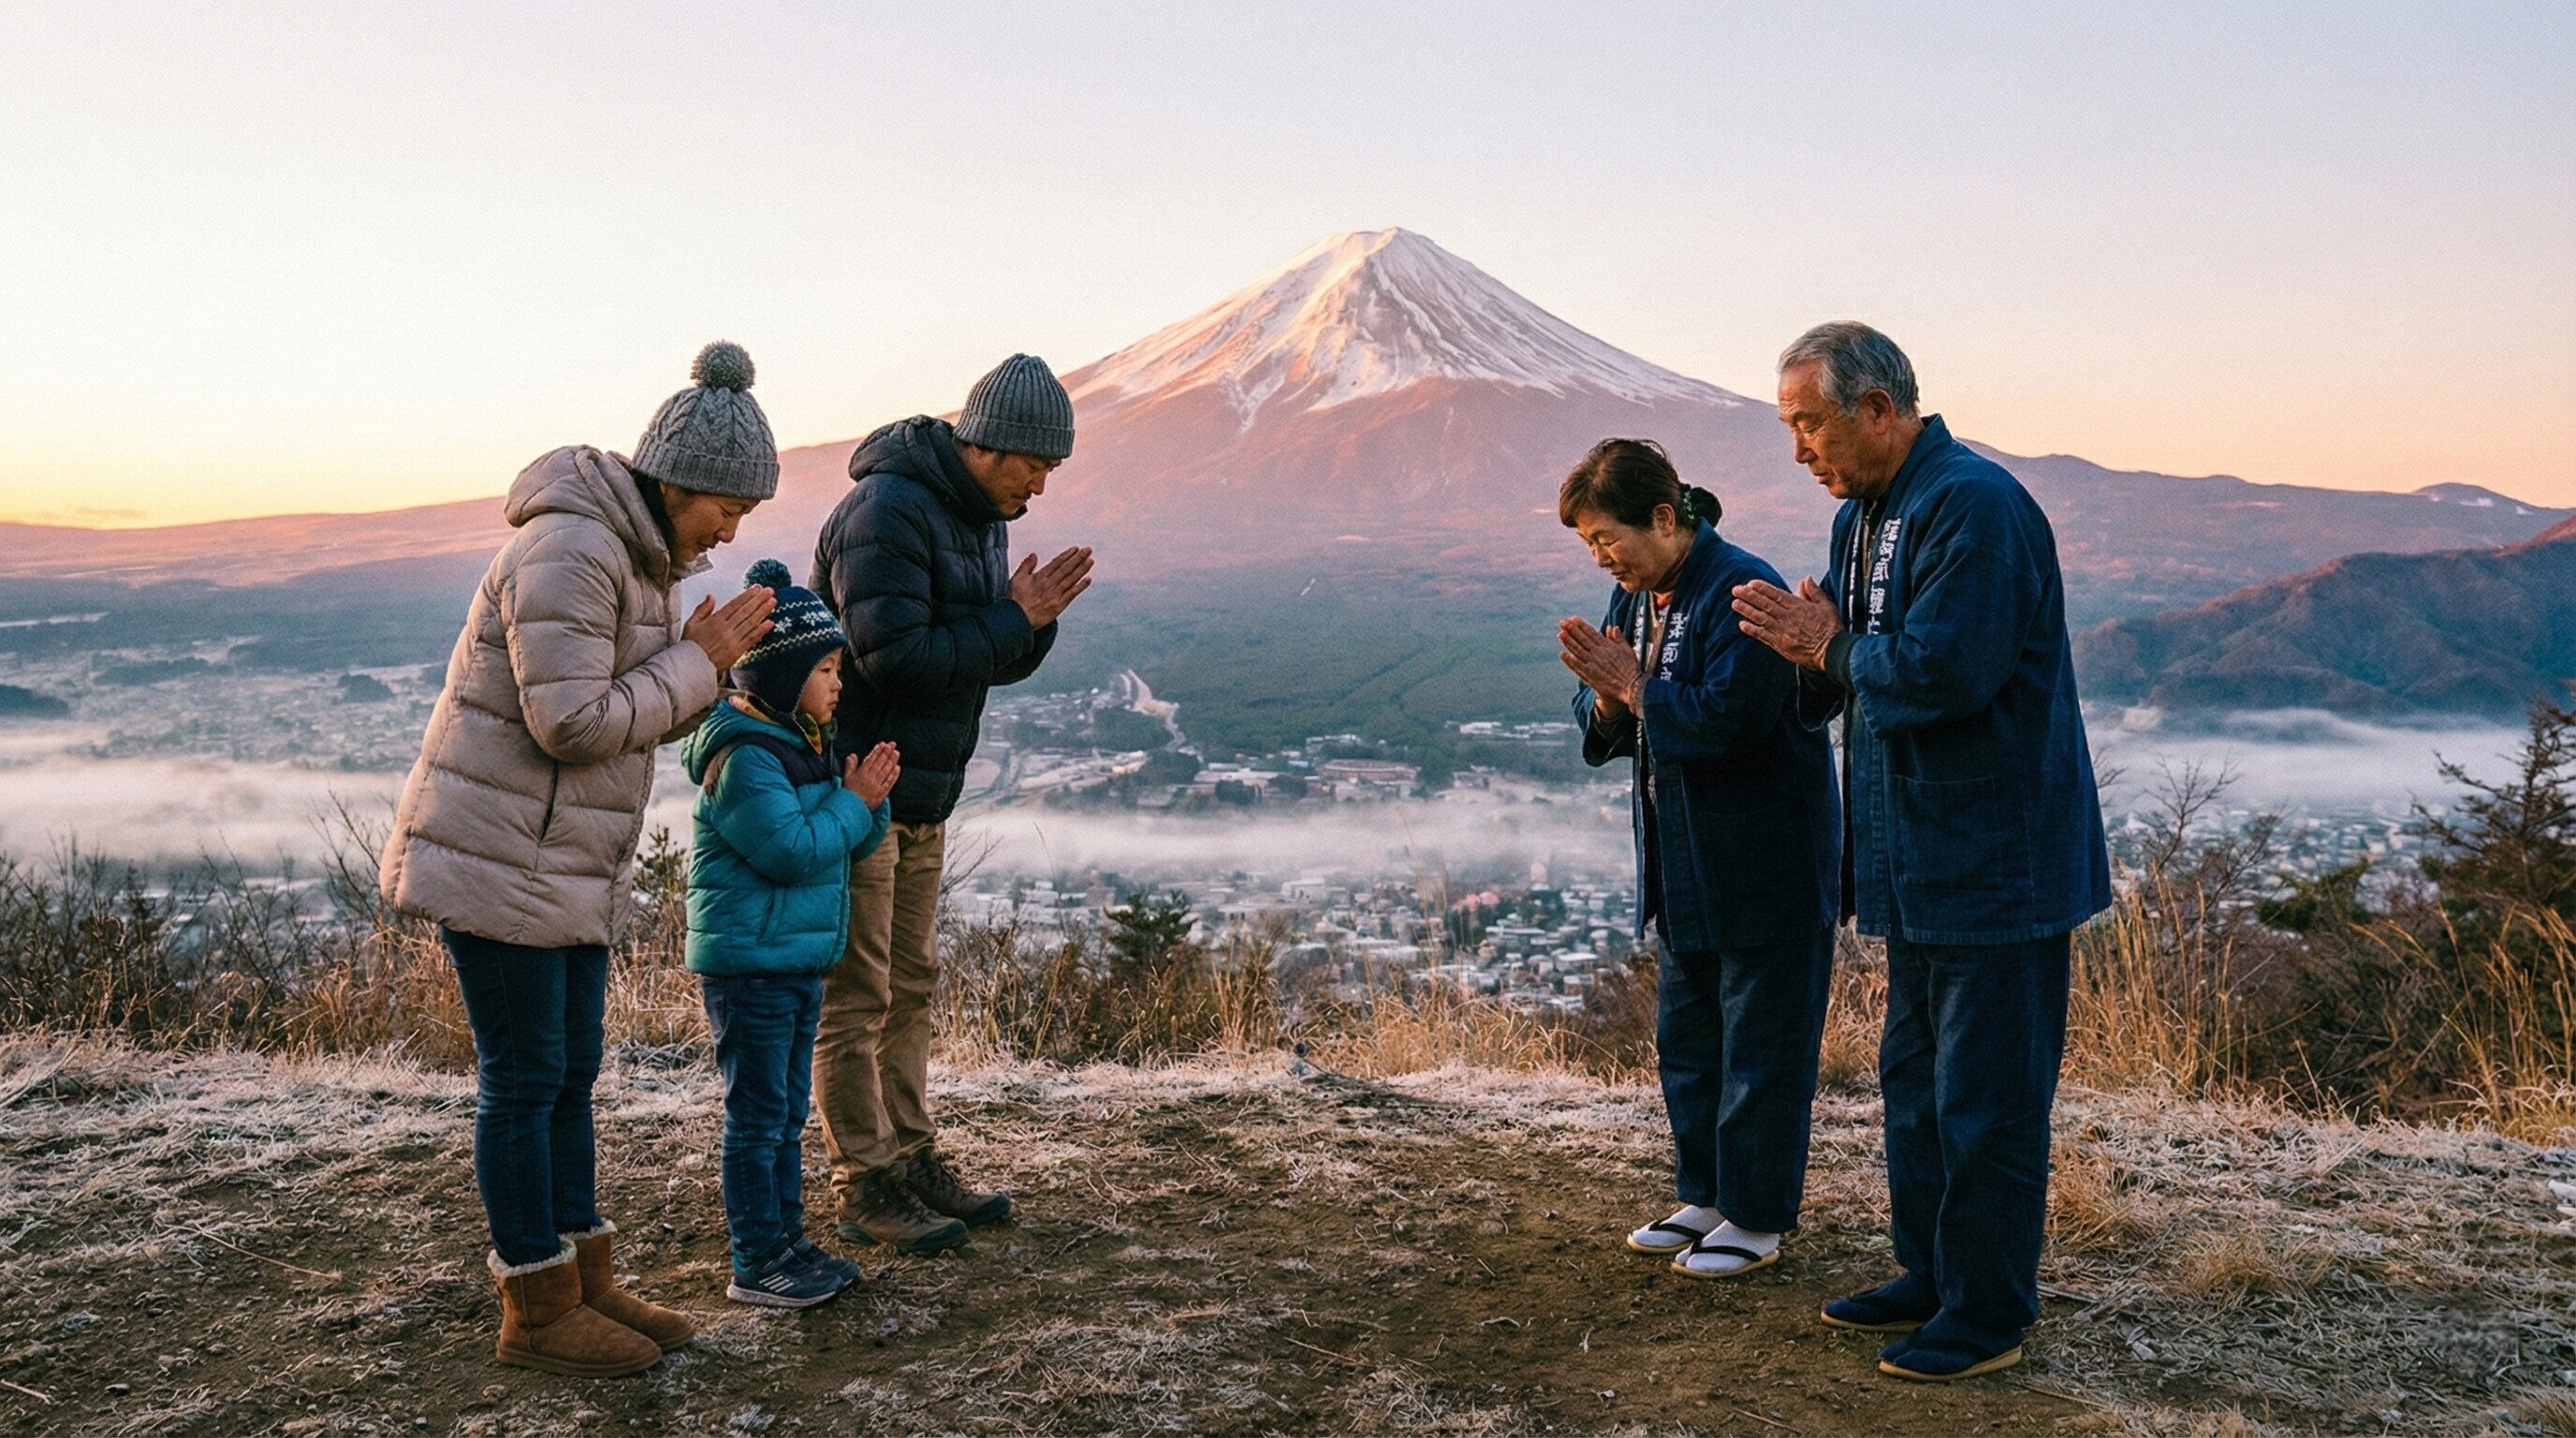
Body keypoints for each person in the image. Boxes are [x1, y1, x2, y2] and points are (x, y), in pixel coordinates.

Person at [380, 342, 780, 1377]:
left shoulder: (633, 561)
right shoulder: (570, 549)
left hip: (555, 862)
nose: (731, 529)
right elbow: (571, 721)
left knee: (568, 1074)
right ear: (681, 480)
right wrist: (701, 662)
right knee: (523, 1080)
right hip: (502, 858)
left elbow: (609, 695)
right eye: (727, 507)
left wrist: (691, 654)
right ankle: (536, 1306)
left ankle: (582, 1278)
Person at [1732, 322, 2112, 1383]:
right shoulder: (1866, 516)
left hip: (1997, 857)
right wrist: (1812, 653)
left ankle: (1988, 1309)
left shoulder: (1972, 507)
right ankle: (1933, 1271)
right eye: (1789, 428)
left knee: (1985, 1096)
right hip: (1913, 855)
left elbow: (1947, 673)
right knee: (1915, 1081)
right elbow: (1853, 663)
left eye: (1810, 423)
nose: (1800, 449)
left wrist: (1830, 647)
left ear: (1880, 410)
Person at [809, 353, 1094, 1253]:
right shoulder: (885, 512)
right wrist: (1015, 618)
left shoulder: (983, 518)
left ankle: (914, 1156)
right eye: (1034, 465)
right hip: (861, 790)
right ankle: (867, 1181)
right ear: (987, 444)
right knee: (857, 995)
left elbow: (985, 657)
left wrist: (1029, 622)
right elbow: (896, 658)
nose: (1042, 487)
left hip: (924, 788)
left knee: (910, 985)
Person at [1556, 439, 1841, 1283]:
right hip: (1682, 861)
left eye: (1610, 537)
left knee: (1762, 1047)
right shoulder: (1636, 593)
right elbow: (1606, 695)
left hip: (1765, 858)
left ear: (1664, 516)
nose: (1603, 557)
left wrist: (1637, 690)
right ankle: (1707, 1194)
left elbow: (1733, 719)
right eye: (1588, 545)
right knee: (1690, 1040)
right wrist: (1612, 695)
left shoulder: (1741, 590)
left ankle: (1756, 1218)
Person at [681, 559, 900, 1309]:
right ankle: (758, 1260)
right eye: (826, 669)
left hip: (794, 959)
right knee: (758, 1117)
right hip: (752, 966)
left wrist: (869, 801)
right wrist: (850, 802)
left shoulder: (802, 743)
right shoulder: (745, 758)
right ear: (781, 677)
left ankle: (787, 1242)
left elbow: (844, 847)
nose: (839, 684)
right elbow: (793, 852)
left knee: (783, 1113)